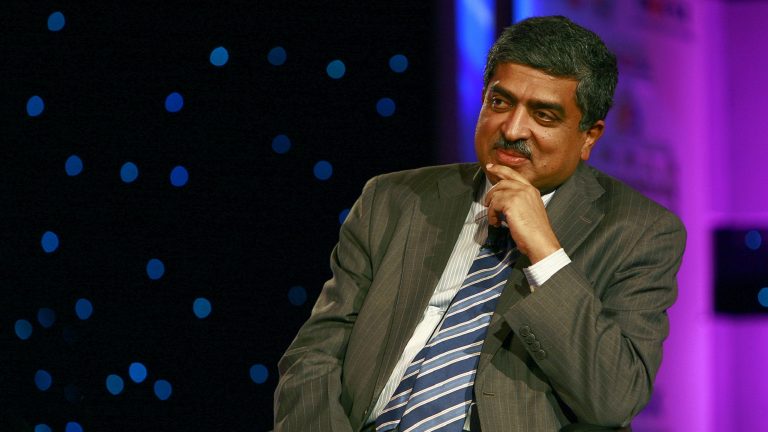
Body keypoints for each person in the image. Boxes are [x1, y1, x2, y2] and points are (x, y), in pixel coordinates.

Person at [273, 15, 686, 432]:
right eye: (500, 103)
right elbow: (314, 356)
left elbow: (613, 399)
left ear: (589, 136)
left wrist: (545, 253)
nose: (512, 128)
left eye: (543, 115)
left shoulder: (639, 232)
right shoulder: (393, 200)